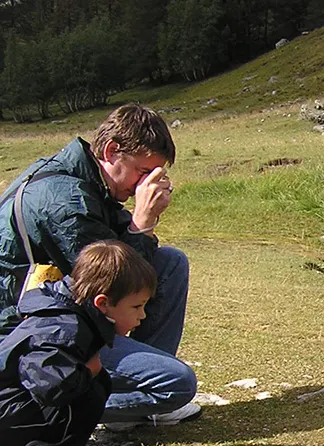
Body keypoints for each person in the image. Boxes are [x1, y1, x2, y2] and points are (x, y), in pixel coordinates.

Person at [0, 104, 199, 428]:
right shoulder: (63, 200)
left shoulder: (88, 181)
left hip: (58, 316)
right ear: (110, 151)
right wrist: (142, 223)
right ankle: (50, 407)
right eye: (142, 172)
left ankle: (134, 393)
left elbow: (132, 260)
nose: (142, 185)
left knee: (171, 263)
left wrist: (137, 228)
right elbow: (116, 283)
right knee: (178, 384)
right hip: (25, 336)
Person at [0, 240, 156, 446]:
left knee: (95, 385)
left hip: (12, 406)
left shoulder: (78, 314)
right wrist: (86, 371)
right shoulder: (63, 330)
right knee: (81, 392)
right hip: (6, 412)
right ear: (102, 303)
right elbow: (49, 387)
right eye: (136, 307)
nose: (142, 316)